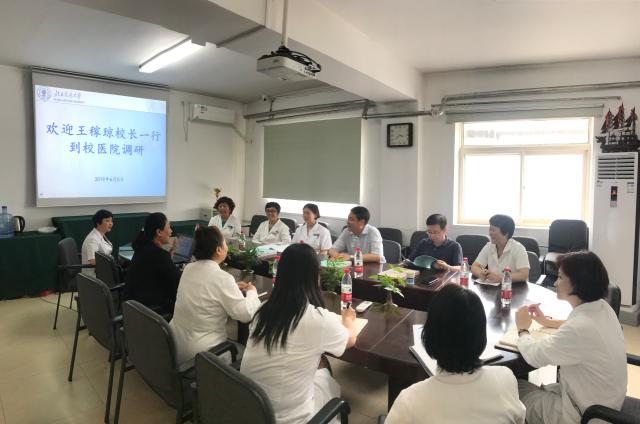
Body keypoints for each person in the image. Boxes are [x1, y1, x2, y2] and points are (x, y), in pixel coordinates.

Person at [241, 243, 358, 424]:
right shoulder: (316, 319)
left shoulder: (263, 310)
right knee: (327, 379)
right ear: (314, 277)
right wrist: (348, 319)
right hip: (289, 419)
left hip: (251, 411)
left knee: (314, 364)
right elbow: (350, 339)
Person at [386, 284, 525, 424]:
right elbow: (519, 419)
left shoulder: (410, 401)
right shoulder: (505, 378)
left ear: (430, 335)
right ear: (480, 335)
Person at [515, 251, 627, 424]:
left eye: (560, 277)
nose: (555, 282)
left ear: (578, 284)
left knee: (508, 390)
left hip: (584, 415)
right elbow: (579, 326)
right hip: (603, 402)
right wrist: (546, 322)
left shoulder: (579, 328)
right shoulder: (603, 308)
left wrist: (522, 329)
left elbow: (535, 356)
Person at [170, 226, 260, 365]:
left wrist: (232, 287)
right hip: (204, 355)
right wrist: (252, 292)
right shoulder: (222, 278)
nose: (226, 246)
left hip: (175, 345)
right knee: (247, 354)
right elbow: (245, 314)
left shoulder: (189, 268)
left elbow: (205, 288)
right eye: (224, 243)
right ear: (218, 250)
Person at [123, 212, 181, 315]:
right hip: (150, 312)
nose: (171, 231)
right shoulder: (160, 256)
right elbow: (179, 281)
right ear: (159, 232)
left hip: (133, 307)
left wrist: (168, 256)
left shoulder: (141, 247)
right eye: (169, 227)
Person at [471, 214, 529, 283]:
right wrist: (481, 273)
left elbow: (524, 274)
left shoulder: (518, 248)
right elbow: (475, 266)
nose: (490, 233)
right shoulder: (489, 246)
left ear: (506, 233)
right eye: (490, 229)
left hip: (513, 287)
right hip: (492, 287)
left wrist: (502, 278)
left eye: (493, 230)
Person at [81, 209, 114, 275]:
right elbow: (93, 261)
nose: (110, 223)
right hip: (94, 275)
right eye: (107, 221)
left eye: (111, 221)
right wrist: (110, 262)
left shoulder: (101, 234)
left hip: (104, 270)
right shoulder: (92, 239)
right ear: (98, 223)